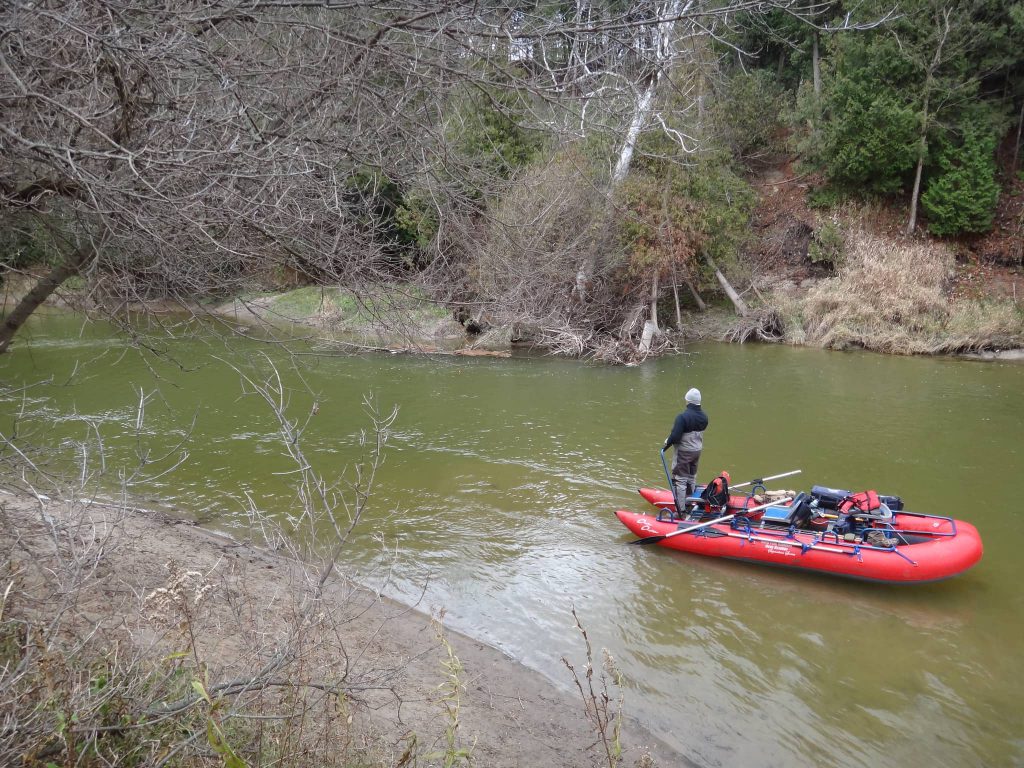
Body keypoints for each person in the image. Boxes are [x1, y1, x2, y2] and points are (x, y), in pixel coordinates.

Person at [662, 387, 708, 508]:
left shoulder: (682, 417)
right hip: (697, 451)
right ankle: (689, 501)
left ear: (688, 401)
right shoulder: (704, 417)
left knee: (680, 479)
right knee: (691, 476)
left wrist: (668, 441)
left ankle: (681, 510)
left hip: (684, 452)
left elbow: (676, 437)